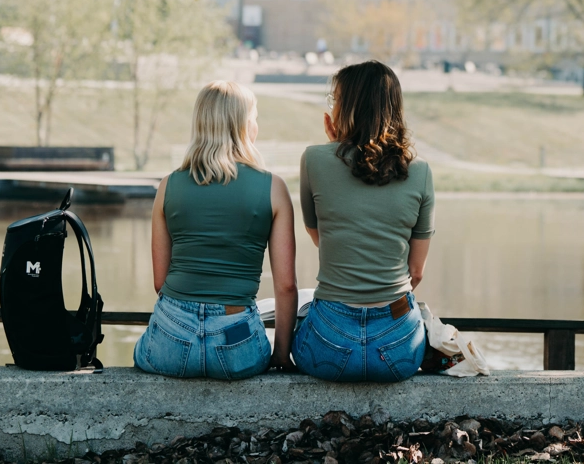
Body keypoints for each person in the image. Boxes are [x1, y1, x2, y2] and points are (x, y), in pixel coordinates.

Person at [135, 81, 298, 379]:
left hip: (172, 338)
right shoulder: (274, 188)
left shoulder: (168, 186)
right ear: (245, 125)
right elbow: (286, 286)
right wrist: (281, 353)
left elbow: (161, 281)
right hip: (237, 343)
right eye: (256, 117)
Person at [293, 61, 434, 383]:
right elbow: (416, 272)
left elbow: (322, 236)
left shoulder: (314, 159)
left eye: (336, 98)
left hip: (329, 343)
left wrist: (332, 147)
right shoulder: (421, 171)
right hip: (399, 350)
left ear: (347, 107)